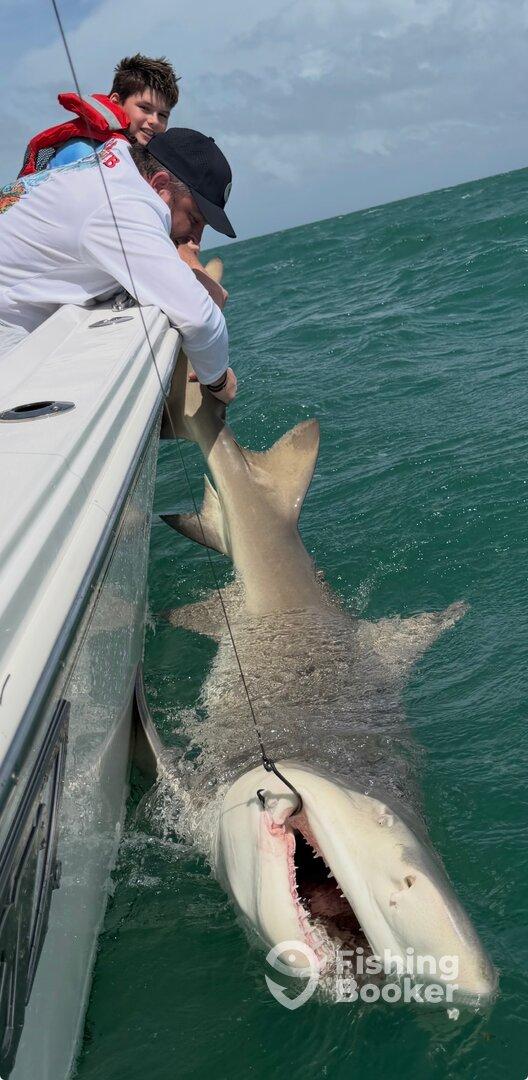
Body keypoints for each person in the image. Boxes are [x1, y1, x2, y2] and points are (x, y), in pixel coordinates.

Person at [0, 128, 237, 403]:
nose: (196, 237)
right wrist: (219, 381)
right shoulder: (122, 206)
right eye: (194, 219)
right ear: (160, 186)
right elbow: (199, 319)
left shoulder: (116, 160)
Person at [20, 54, 180, 175]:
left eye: (163, 115)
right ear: (116, 102)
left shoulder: (139, 158)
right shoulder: (83, 151)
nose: (154, 121)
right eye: (145, 108)